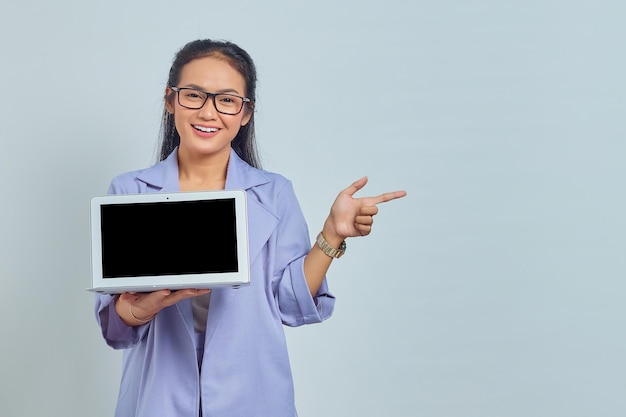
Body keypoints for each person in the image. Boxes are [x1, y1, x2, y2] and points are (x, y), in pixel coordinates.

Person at [94, 38, 406, 417]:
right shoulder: (130, 191)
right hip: (159, 396)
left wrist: (332, 234)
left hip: (254, 396)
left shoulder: (273, 193)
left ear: (245, 113)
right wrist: (143, 307)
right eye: (194, 95)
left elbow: (290, 305)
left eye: (226, 100)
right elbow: (116, 327)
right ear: (170, 100)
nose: (209, 112)